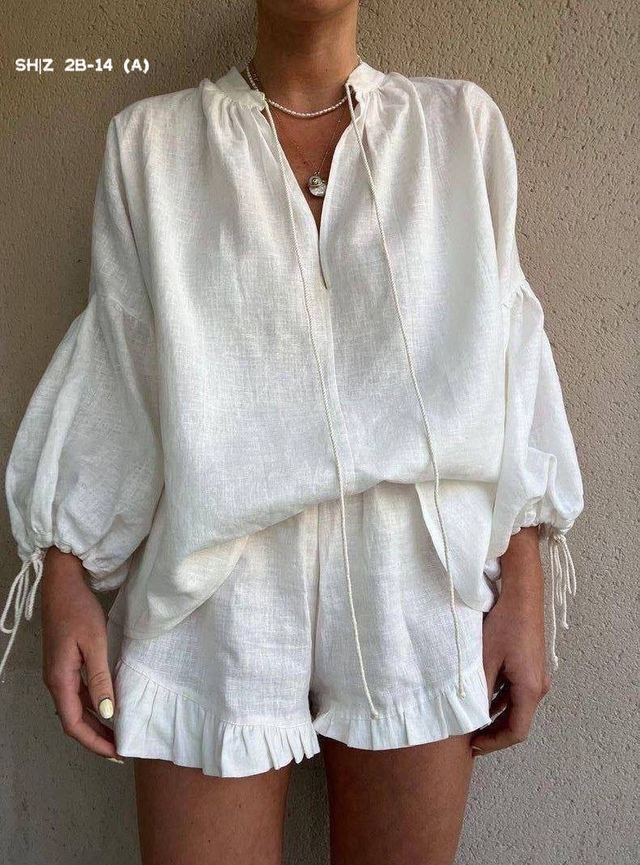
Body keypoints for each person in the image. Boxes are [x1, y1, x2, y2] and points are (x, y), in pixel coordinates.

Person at [1, 1, 584, 863]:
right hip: (212, 589)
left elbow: (508, 354)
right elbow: (122, 365)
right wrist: (65, 569)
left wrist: (523, 586)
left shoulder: (459, 128)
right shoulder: (153, 145)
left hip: (415, 578)